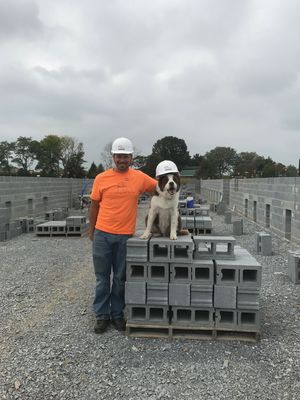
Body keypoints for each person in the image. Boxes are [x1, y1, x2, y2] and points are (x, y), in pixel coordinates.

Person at [89, 137, 157, 334]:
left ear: (131, 158)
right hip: (102, 234)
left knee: (120, 278)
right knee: (102, 278)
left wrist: (171, 177)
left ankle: (117, 314)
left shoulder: (139, 178)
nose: (122, 160)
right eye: (118, 156)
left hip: (125, 237)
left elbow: (159, 188)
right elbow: (94, 206)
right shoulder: (101, 178)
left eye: (125, 156)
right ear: (113, 157)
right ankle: (102, 315)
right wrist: (92, 230)